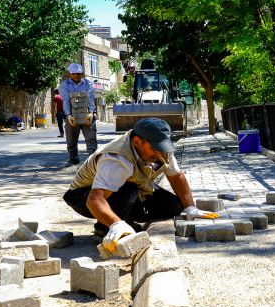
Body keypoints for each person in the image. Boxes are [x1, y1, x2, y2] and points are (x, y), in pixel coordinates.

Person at [62, 117, 219, 251]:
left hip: (127, 188)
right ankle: (106, 228)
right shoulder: (117, 158)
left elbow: (176, 176)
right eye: (154, 148)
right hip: (83, 197)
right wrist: (116, 224)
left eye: (162, 148)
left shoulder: (161, 148)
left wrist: (190, 207)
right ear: (137, 141)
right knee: (129, 189)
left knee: (174, 206)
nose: (159, 153)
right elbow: (95, 199)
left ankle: (125, 220)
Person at [58, 63, 97, 167]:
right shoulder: (64, 85)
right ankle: (73, 159)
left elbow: (90, 99)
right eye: (74, 74)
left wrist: (91, 113)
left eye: (78, 74)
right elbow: (66, 100)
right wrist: (69, 115)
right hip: (72, 116)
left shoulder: (88, 84)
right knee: (71, 139)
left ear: (82, 73)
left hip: (87, 115)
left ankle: (92, 161)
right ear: (70, 74)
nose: (76, 76)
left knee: (91, 138)